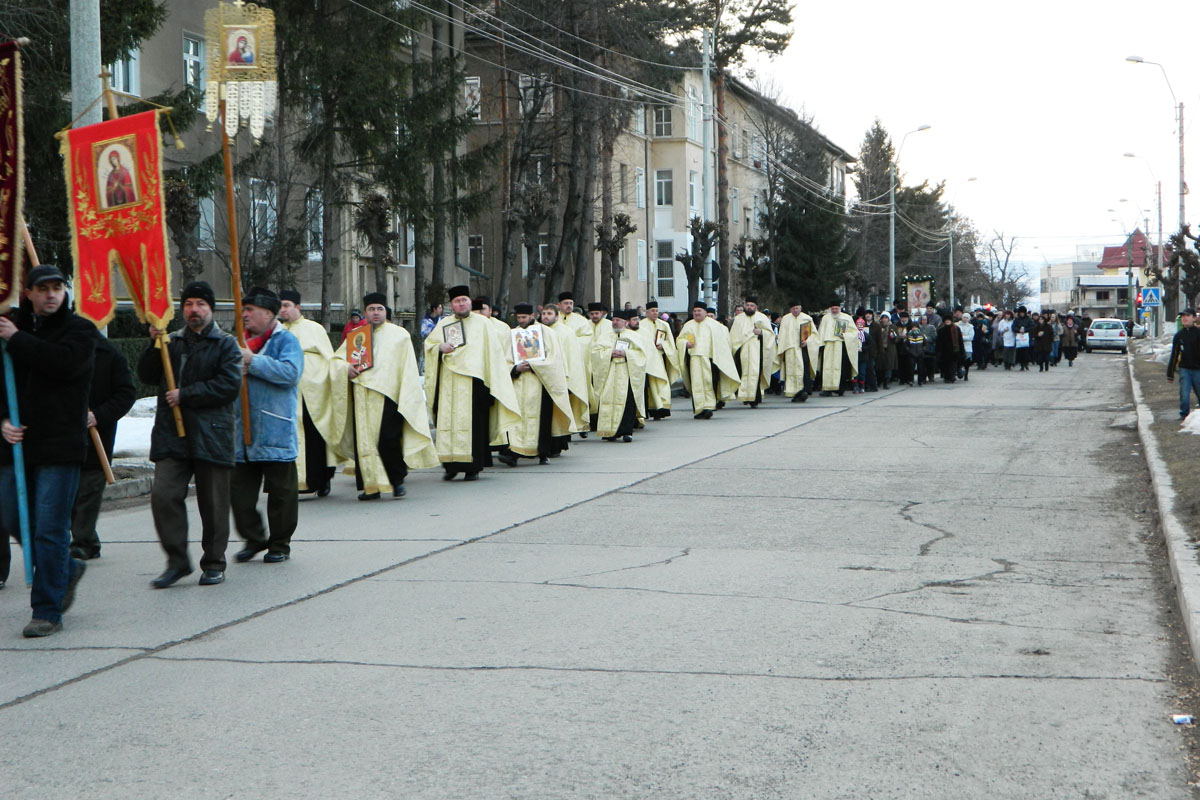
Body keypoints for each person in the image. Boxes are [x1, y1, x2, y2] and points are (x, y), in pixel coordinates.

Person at [0, 265, 96, 637]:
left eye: (58, 288)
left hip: (59, 447)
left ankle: (47, 610)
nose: (52, 294)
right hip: (16, 447)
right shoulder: (10, 329)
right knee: (12, 517)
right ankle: (66, 570)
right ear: (28, 294)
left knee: (50, 529)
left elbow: (64, 365)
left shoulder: (80, 331)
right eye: (43, 289)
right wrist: (3, 421)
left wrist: (18, 339)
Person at [139, 280, 241, 589]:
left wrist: (187, 395)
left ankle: (213, 561)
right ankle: (177, 560)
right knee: (164, 495)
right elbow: (146, 375)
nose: (193, 310)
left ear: (211, 309)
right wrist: (153, 345)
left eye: (200, 305)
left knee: (213, 503)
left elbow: (228, 386)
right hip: (173, 435)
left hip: (212, 433)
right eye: (188, 304)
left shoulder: (226, 344)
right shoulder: (171, 342)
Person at [333, 292, 438, 499]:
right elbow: (336, 360)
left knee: (388, 441)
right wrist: (346, 368)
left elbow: (407, 368)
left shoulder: (399, 335)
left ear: (385, 312)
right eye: (371, 309)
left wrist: (406, 396)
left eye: (379, 309)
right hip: (362, 396)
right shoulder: (356, 335)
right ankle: (371, 486)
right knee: (365, 443)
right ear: (365, 312)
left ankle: (397, 481)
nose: (375, 313)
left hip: (389, 396)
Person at [228, 288, 304, 563]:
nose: (244, 315)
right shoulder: (238, 341)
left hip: (274, 431)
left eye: (250, 310)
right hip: (241, 435)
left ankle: (279, 544)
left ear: (269, 314)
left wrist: (253, 361)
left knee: (282, 496)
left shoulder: (285, 340)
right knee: (239, 496)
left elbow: (290, 373)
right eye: (243, 309)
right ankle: (254, 537)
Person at [424, 285, 519, 480]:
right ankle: (450, 466)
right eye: (456, 301)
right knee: (448, 424)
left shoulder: (483, 324)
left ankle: (472, 468)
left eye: (464, 300)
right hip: (449, 385)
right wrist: (439, 347)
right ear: (452, 305)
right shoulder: (443, 324)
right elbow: (430, 346)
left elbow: (493, 355)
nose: (461, 304)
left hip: (474, 385)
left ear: (469, 302)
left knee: (474, 428)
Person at [70, 328, 136, 560]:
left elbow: (126, 394)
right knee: (69, 495)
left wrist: (98, 415)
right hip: (64, 439)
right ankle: (88, 538)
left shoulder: (111, 356)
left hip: (97, 439)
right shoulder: (64, 351)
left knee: (88, 491)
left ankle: (83, 541)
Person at [278, 290, 340, 497]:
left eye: (287, 305)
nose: (283, 309)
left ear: (298, 307)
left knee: (316, 435)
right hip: (287, 393)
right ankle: (294, 481)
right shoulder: (276, 331)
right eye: (281, 306)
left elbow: (329, 358)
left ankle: (322, 479)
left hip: (314, 392)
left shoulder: (315, 328)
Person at [499, 303, 574, 465]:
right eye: (518, 318)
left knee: (542, 420)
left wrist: (534, 365)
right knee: (517, 418)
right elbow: (504, 359)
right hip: (519, 383)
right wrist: (515, 368)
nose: (521, 321)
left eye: (524, 317)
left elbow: (554, 359)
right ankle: (514, 453)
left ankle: (543, 453)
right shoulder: (513, 334)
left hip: (540, 383)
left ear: (533, 316)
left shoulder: (546, 333)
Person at [677, 301, 739, 419]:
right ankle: (699, 409)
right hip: (694, 359)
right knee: (696, 384)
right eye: (695, 311)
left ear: (705, 312)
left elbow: (721, 343)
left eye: (699, 311)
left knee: (709, 383)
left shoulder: (714, 325)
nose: (696, 313)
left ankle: (709, 407)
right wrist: (685, 344)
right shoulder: (688, 325)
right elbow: (679, 340)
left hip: (710, 359)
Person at [591, 310, 646, 441]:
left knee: (627, 403)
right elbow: (595, 352)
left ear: (625, 323)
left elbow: (641, 355)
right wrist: (610, 353)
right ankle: (609, 432)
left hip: (627, 373)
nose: (615, 323)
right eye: (613, 320)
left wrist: (627, 354)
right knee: (607, 401)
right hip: (609, 373)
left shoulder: (634, 336)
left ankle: (626, 432)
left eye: (618, 320)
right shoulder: (605, 336)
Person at [541, 303, 590, 436]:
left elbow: (571, 357)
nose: (546, 317)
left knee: (560, 411)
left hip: (560, 376)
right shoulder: (538, 330)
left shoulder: (565, 333)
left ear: (557, 317)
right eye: (544, 314)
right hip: (543, 376)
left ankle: (560, 440)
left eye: (549, 314)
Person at [729, 296, 776, 408]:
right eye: (747, 305)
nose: (749, 307)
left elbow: (770, 334)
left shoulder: (762, 317)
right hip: (743, 350)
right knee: (744, 372)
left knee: (756, 372)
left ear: (756, 307)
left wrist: (761, 332)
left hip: (758, 350)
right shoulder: (739, 319)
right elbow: (733, 336)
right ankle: (745, 396)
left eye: (752, 306)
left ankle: (754, 398)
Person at [807, 301, 859, 396]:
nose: (835, 311)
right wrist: (820, 346)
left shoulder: (847, 318)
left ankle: (840, 388)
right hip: (828, 346)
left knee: (840, 368)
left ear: (840, 308)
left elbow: (854, 333)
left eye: (836, 309)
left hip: (840, 346)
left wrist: (845, 336)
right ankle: (827, 389)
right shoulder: (826, 318)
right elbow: (821, 333)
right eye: (833, 309)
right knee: (826, 368)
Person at [638, 301, 680, 420]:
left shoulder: (664, 325)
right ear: (647, 312)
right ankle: (649, 409)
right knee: (649, 386)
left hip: (660, 357)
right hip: (647, 359)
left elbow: (670, 341)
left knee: (661, 382)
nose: (655, 313)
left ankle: (661, 408)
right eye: (652, 311)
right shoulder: (641, 325)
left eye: (656, 311)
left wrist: (664, 346)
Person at [775, 302, 815, 402]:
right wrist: (782, 349)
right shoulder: (785, 319)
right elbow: (782, 335)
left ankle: (804, 391)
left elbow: (814, 335)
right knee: (790, 370)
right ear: (790, 310)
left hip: (803, 349)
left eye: (797, 308)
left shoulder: (807, 318)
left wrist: (807, 342)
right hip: (789, 349)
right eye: (793, 309)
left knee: (803, 369)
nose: (795, 310)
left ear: (800, 308)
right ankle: (791, 390)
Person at [1167, 308, 1200, 419]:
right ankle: (1184, 415)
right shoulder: (1179, 336)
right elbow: (1174, 355)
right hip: (1184, 369)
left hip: (1198, 370)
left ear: (1194, 318)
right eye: (1183, 316)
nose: (1184, 318)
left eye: (1187, 316)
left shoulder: (1198, 333)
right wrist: (1170, 374)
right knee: (1184, 394)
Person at [936, 315, 963, 383]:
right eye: (946, 320)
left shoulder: (956, 329)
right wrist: (938, 351)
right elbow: (938, 341)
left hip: (954, 350)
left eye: (949, 320)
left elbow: (960, 340)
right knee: (945, 365)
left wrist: (961, 350)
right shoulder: (941, 330)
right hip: (944, 351)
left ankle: (952, 377)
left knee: (953, 365)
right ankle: (946, 377)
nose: (947, 321)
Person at [874, 312, 898, 390]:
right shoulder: (878, 327)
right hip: (880, 349)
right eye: (883, 318)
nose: (884, 320)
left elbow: (897, 338)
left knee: (889, 366)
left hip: (890, 349)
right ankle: (879, 381)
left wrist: (893, 337)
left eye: (886, 318)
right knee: (880, 366)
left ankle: (887, 382)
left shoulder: (892, 327)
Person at [1012, 306, 1035, 371]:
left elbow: (1032, 326)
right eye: (1020, 313)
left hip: (1026, 337)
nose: (1021, 314)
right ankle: (1022, 364)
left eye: (1023, 313)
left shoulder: (1028, 319)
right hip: (1019, 337)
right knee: (1020, 352)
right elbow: (1013, 327)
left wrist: (1025, 330)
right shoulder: (1017, 319)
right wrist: (1019, 330)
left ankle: (1026, 363)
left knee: (1026, 351)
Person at [955, 312, 975, 382]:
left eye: (967, 318)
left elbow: (971, 337)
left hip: (967, 346)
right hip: (959, 346)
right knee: (959, 361)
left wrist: (962, 337)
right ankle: (959, 372)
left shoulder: (970, 327)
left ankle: (966, 375)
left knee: (967, 361)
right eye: (964, 317)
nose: (965, 319)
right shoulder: (957, 325)